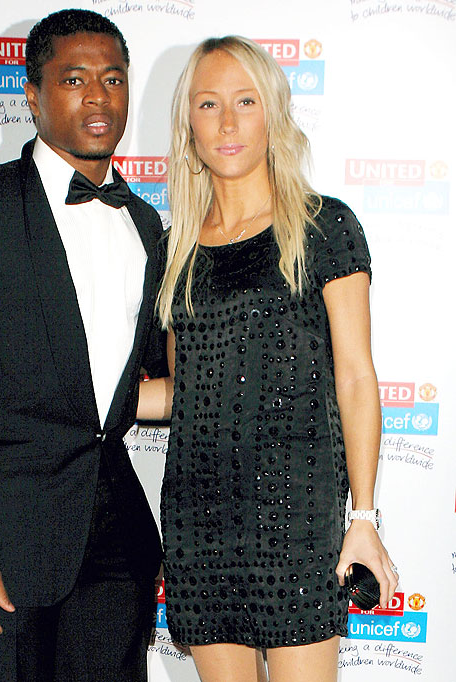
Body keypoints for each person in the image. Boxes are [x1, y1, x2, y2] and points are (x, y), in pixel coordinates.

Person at [0, 9, 166, 681]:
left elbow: (137, 381)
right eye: (74, 79)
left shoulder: (145, 224)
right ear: (31, 92)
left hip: (117, 544)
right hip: (3, 546)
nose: (98, 98)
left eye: (113, 79)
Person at [137, 36, 398, 682]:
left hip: (296, 518)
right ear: (187, 125)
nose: (227, 123)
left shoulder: (323, 228)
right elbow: (187, 393)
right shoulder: (174, 253)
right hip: (199, 523)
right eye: (208, 104)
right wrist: (51, 395)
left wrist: (362, 517)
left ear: (272, 115)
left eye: (245, 102)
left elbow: (357, 378)